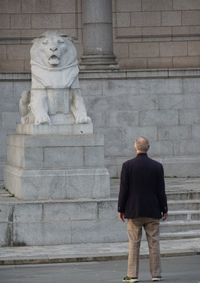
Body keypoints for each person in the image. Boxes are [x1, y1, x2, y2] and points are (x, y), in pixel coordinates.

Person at [118, 137, 168, 283]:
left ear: (135, 146)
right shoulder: (157, 166)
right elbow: (161, 190)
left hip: (134, 210)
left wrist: (121, 208)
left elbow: (124, 190)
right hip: (153, 210)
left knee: (133, 243)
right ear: (148, 147)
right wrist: (164, 208)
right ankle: (156, 274)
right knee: (154, 243)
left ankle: (132, 275)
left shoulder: (127, 165)